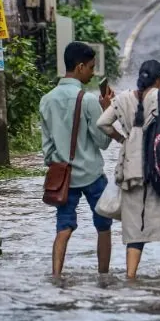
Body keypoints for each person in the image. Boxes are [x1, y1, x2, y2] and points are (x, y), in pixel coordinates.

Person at [97, 60, 160, 279]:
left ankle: (130, 277)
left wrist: (123, 138)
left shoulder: (121, 99)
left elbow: (102, 123)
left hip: (132, 169)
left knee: (135, 229)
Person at [39, 42, 114, 277]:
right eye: (91, 67)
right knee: (104, 227)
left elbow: (47, 147)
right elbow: (102, 142)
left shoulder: (47, 100)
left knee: (63, 227)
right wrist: (106, 110)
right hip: (91, 174)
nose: (92, 73)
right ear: (80, 67)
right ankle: (103, 277)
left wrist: (59, 162)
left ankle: (56, 276)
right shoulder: (89, 100)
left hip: (63, 177)